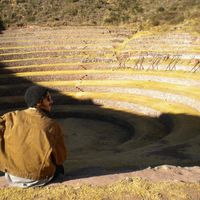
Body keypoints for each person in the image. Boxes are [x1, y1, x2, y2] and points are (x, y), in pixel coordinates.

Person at [0, 86, 67, 188]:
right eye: (48, 98)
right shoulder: (52, 125)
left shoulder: (10, 117)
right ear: (39, 103)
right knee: (59, 167)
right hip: (38, 178)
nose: (51, 101)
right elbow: (61, 158)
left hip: (12, 176)